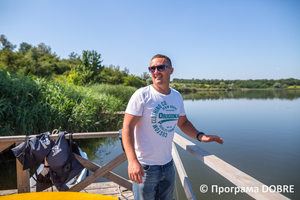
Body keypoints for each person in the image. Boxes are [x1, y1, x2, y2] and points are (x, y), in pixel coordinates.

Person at [122, 54, 223, 200]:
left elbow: (183, 123)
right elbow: (127, 128)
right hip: (145, 167)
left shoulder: (176, 97)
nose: (156, 71)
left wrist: (201, 136)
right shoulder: (142, 95)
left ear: (171, 70)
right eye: (152, 68)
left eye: (161, 67)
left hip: (168, 165)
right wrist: (132, 162)